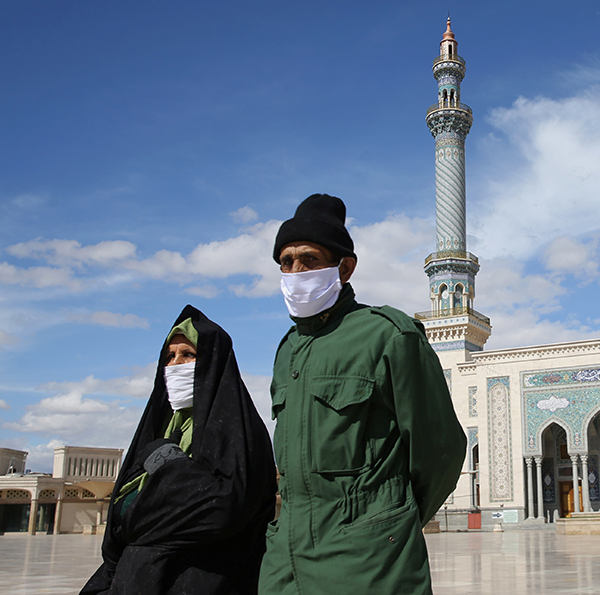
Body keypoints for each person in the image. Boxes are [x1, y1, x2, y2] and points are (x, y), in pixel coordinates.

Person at [259, 193, 466, 595]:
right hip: (286, 564)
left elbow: (439, 450)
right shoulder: (287, 350)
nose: (295, 271)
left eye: (310, 260)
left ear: (345, 267)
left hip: (368, 564)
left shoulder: (388, 336)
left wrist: (387, 521)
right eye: (286, 262)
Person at [82, 306, 277, 595]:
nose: (176, 364)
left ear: (212, 360)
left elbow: (223, 509)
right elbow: (122, 517)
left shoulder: (238, 431)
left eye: (188, 355)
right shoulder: (160, 427)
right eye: (169, 357)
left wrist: (165, 464)